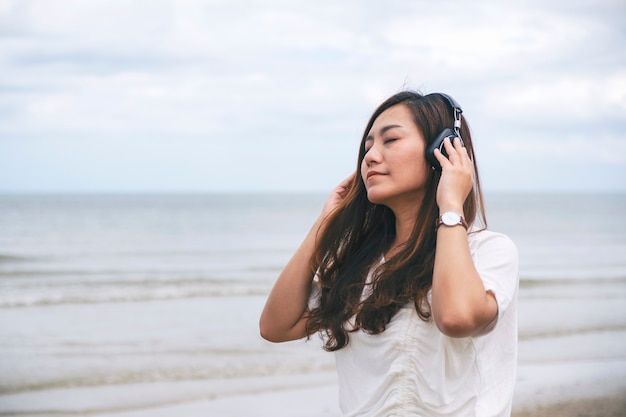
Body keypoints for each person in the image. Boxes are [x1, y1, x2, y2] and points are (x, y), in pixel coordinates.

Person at [259, 90, 519, 417]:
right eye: (367, 146)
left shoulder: (488, 251)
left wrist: (451, 203)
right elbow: (276, 326)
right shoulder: (359, 265)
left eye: (390, 140)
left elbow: (456, 318)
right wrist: (324, 226)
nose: (370, 156)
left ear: (443, 149)